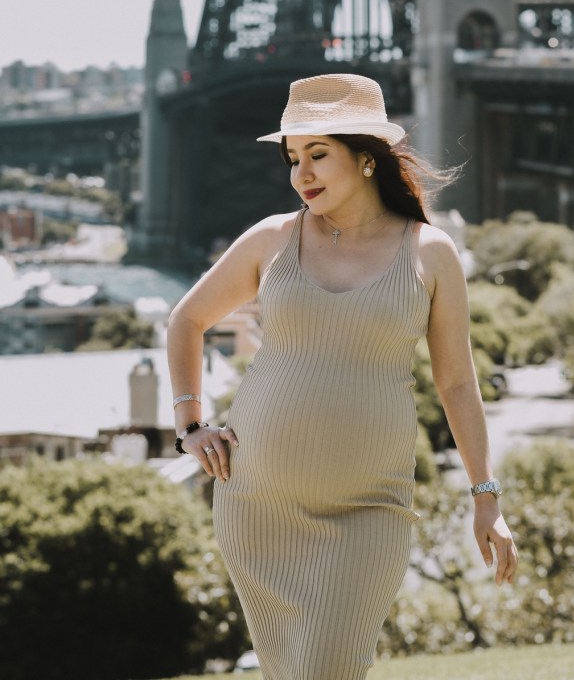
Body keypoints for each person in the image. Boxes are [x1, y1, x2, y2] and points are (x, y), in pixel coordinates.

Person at [167, 73, 518, 680]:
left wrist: (486, 498)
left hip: (369, 508)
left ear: (365, 157)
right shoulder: (273, 239)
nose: (301, 173)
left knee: (329, 668)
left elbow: (458, 382)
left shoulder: (430, 252)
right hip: (257, 506)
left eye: (318, 154)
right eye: (292, 158)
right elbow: (187, 319)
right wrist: (191, 425)